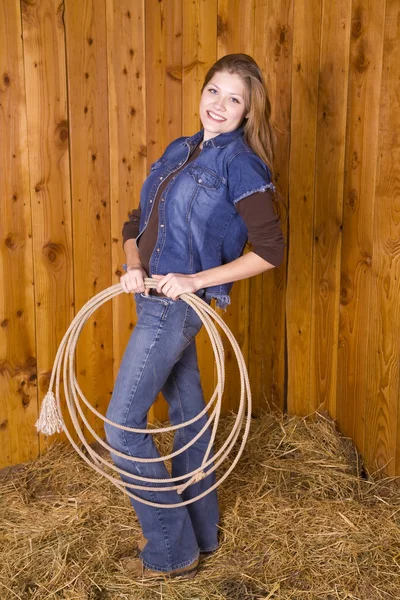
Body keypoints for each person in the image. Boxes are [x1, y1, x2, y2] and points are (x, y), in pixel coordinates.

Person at [104, 53, 286, 580]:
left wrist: (194, 282)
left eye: (235, 98)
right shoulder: (179, 150)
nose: (220, 105)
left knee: (121, 429)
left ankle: (170, 549)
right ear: (201, 93)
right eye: (214, 91)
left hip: (177, 308)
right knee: (189, 419)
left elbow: (271, 250)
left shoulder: (240, 164)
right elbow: (137, 221)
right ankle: (203, 535)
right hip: (150, 295)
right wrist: (132, 265)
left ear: (249, 112)